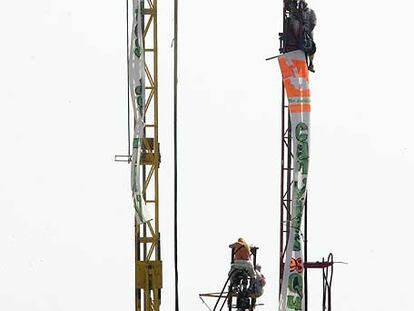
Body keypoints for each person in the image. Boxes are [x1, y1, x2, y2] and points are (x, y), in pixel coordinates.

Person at [284, 0, 317, 72]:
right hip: (297, 38)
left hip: (307, 35)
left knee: (311, 48)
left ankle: (311, 64)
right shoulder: (295, 13)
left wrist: (306, 30)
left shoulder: (310, 11)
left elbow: (313, 22)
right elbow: (293, 24)